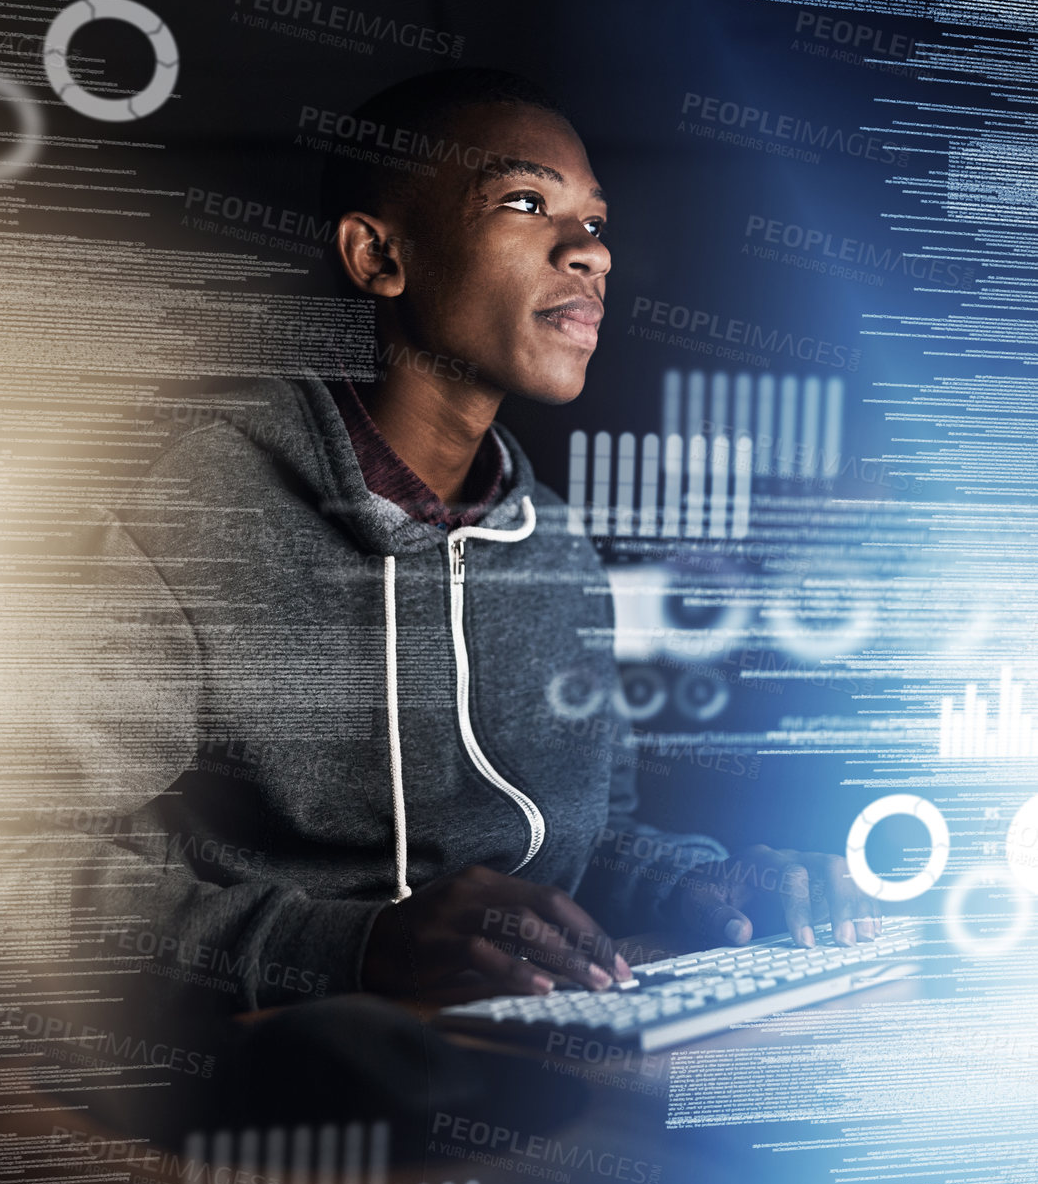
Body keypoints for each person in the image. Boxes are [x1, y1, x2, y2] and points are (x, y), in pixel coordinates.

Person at [64, 67, 878, 1023]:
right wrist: (353, 950)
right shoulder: (191, 514)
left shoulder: (556, 547)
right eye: (527, 203)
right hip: (263, 1092)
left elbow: (580, 838)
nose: (589, 253)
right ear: (377, 256)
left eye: (596, 221)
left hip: (493, 1051)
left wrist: (705, 884)